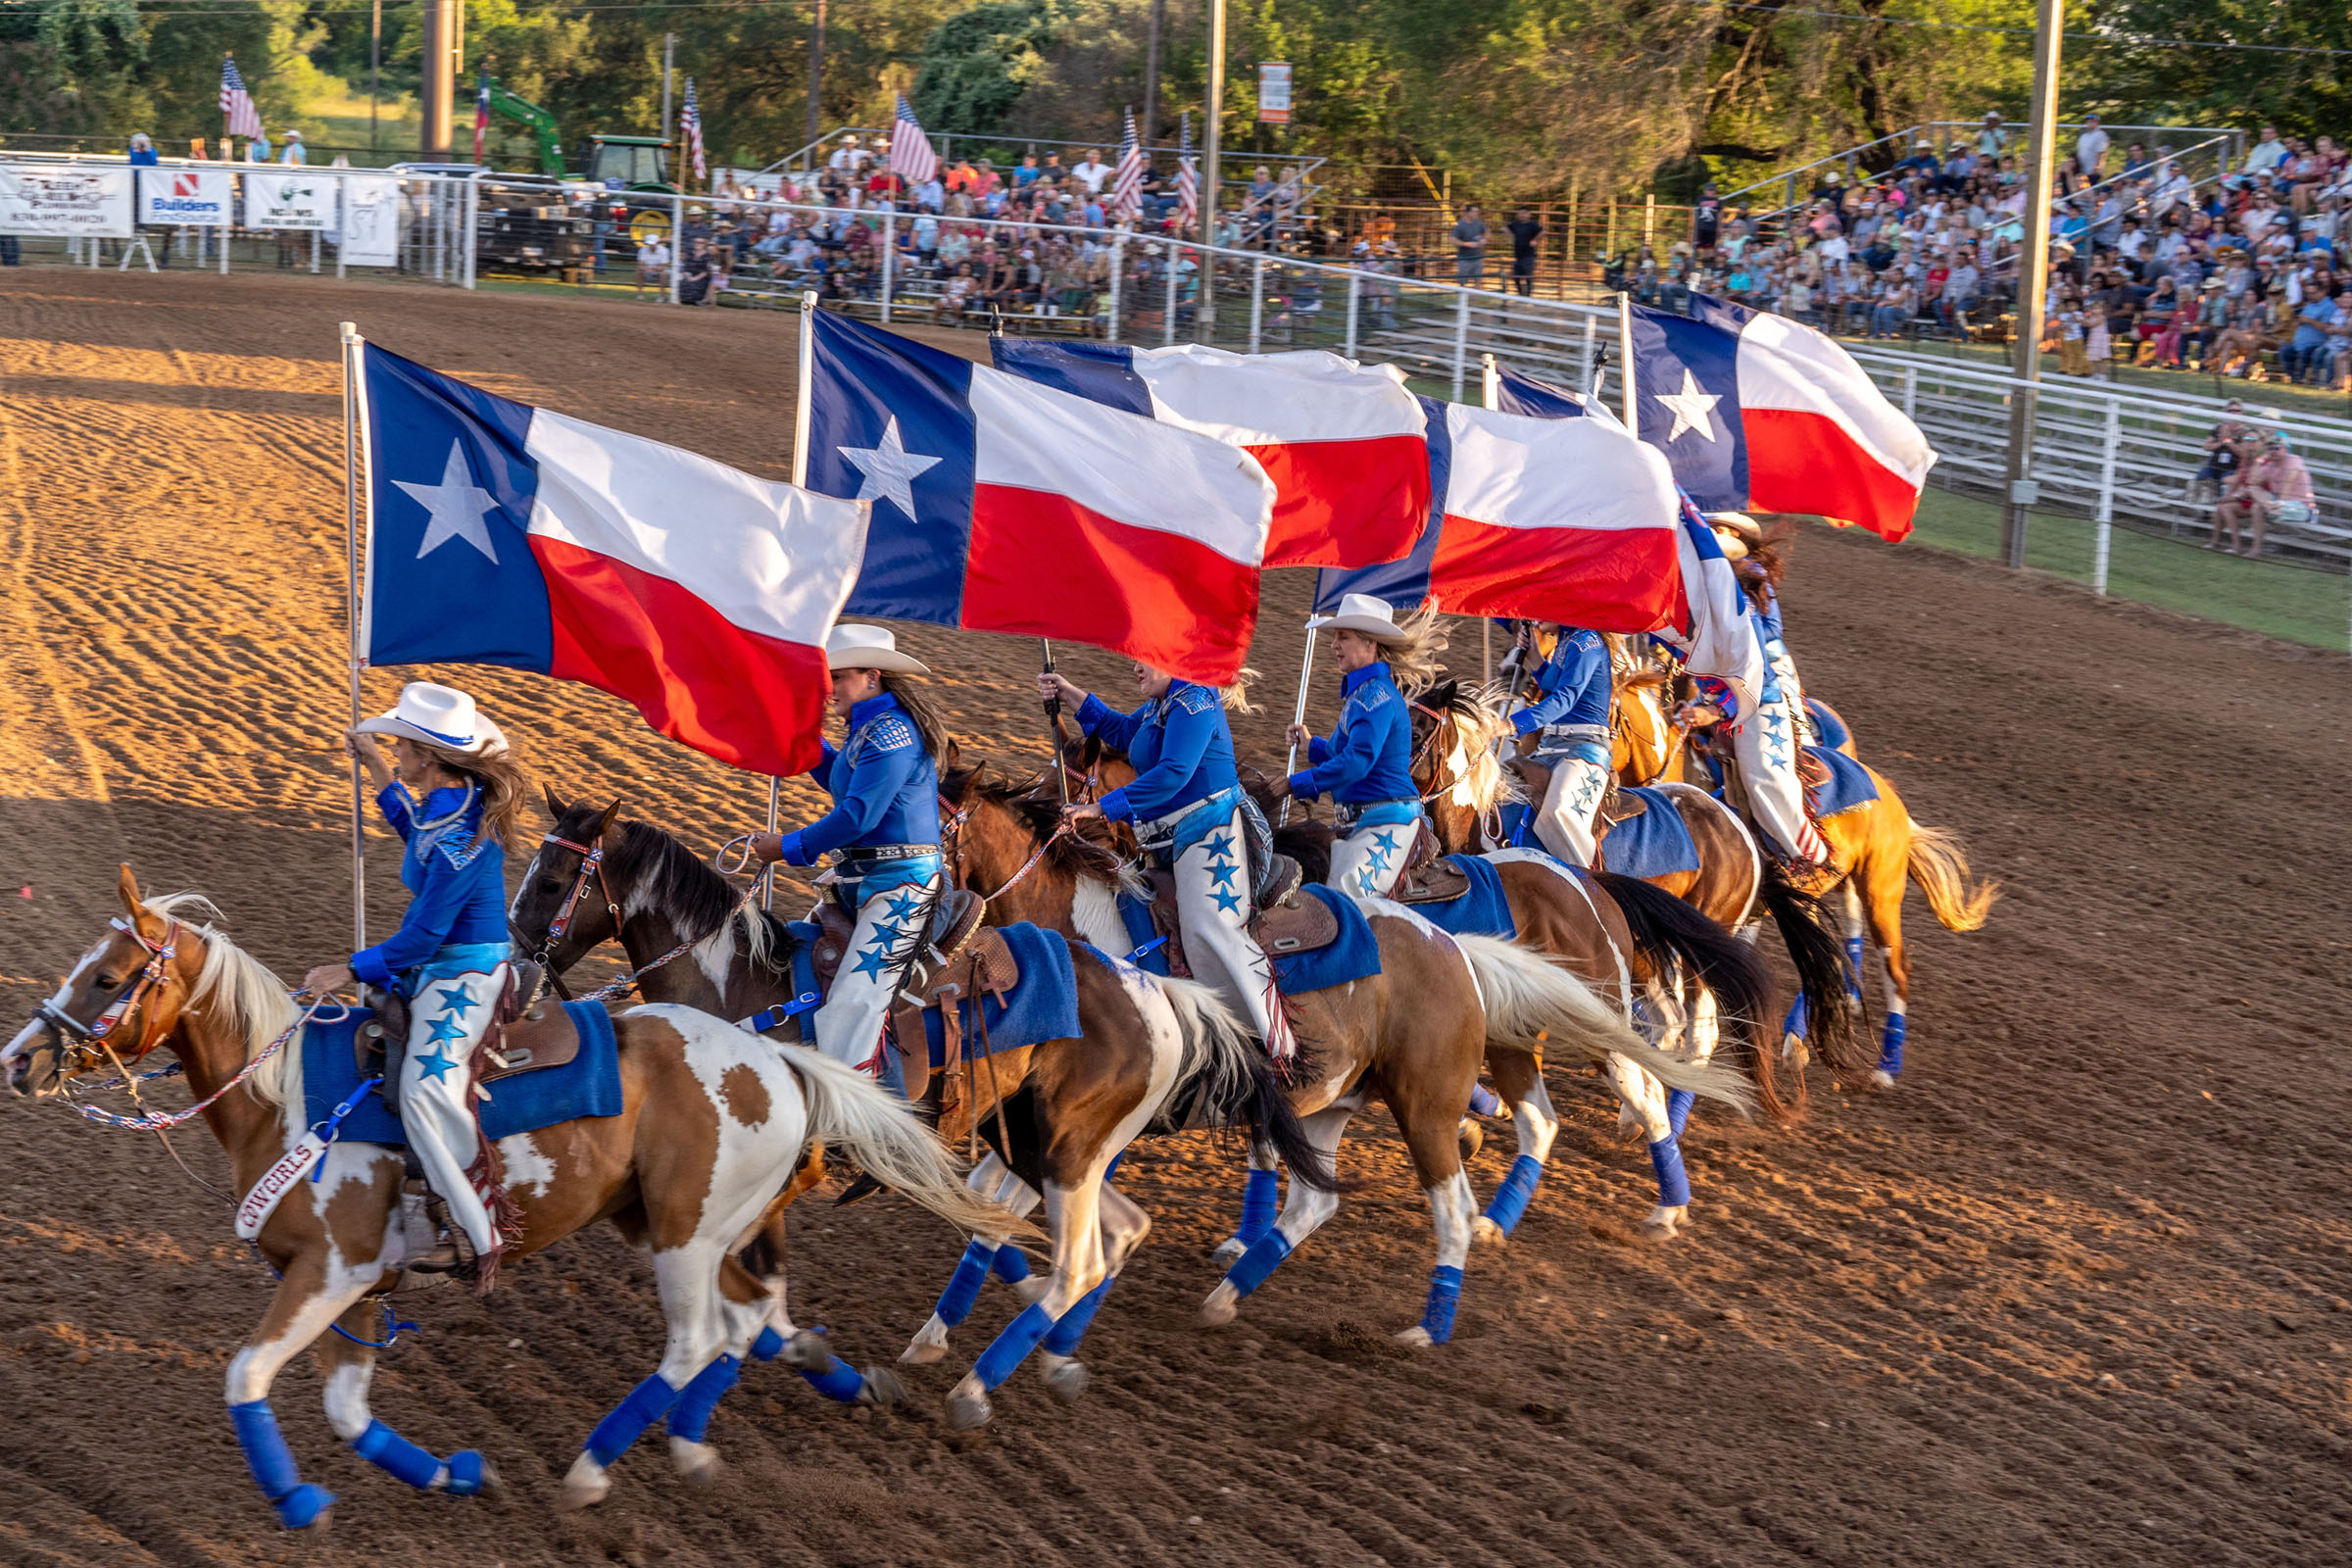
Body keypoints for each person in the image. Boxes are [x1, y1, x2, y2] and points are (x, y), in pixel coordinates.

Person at [300, 682, 525, 1283]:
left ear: (429, 757)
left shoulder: (465, 838)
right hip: (438, 966)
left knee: (428, 1092)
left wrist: (348, 967)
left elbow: (423, 939)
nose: (397, 750)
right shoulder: (446, 806)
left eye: (402, 745)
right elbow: (415, 835)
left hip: (467, 975)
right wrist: (376, 771)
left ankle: (478, 1235)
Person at [1038, 661, 1297, 1060]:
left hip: (1211, 833)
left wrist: (1100, 808)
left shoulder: (1194, 699)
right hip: (1171, 839)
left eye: (1145, 658)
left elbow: (1174, 772)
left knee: (1209, 930)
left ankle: (1274, 1051)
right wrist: (1070, 693)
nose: (1135, 666)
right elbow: (1125, 732)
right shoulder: (1165, 702)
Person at [749, 626, 948, 1079]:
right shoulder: (870, 730)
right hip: (866, 883)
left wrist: (787, 846)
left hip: (901, 885)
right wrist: (803, 740)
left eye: (836, 677)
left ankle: (860, 1120)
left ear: (872, 676)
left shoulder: (891, 734)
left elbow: (858, 815)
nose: (827, 689)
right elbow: (844, 782)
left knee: (854, 1003)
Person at [1284, 596, 1446, 899]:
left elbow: (1357, 762)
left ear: (1370, 643)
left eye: (1343, 637)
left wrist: (1293, 784)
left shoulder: (1374, 696)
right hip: (1370, 822)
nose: (1334, 646)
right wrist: (1311, 746)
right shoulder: (1366, 693)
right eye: (1335, 637)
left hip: (1388, 823)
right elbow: (1343, 753)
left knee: (1347, 896)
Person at [1504, 620, 1612, 866]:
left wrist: (1512, 724)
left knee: (1558, 811)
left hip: (1584, 746)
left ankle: (1591, 886)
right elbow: (1553, 687)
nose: (1536, 616)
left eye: (1544, 606)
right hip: (1550, 745)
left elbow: (1566, 699)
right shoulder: (1566, 640)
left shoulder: (1587, 641)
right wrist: (1534, 659)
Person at [2218, 430, 2314, 558]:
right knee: (2255, 498)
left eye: (2276, 448)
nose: (2273, 451)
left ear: (2286, 449)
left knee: (2259, 506)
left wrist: (2280, 503)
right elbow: (2252, 482)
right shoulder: (2270, 465)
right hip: (2274, 504)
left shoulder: (2294, 460)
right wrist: (2260, 459)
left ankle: (2271, 510)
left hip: (2300, 507)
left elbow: (2288, 480)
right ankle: (2256, 549)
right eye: (2270, 448)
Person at [1506, 206, 1544, 297]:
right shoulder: (1515, 224)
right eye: (1520, 213)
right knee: (1515, 276)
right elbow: (1505, 228)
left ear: (1528, 214)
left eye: (1524, 213)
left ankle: (1528, 296)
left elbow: (1542, 232)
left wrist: (1535, 240)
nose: (1522, 215)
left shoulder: (1533, 225)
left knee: (1528, 276)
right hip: (1518, 255)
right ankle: (1520, 294)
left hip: (1528, 255)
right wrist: (1509, 236)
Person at [1452, 203, 1489, 285]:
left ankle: (1476, 298)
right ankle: (1462, 297)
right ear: (1468, 213)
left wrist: (1484, 239)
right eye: (1474, 211)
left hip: (1478, 257)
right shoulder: (1460, 225)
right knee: (1462, 282)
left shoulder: (1479, 223)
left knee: (1478, 281)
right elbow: (1453, 240)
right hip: (1464, 259)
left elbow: (1487, 231)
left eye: (1477, 212)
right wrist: (1467, 244)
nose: (1477, 214)